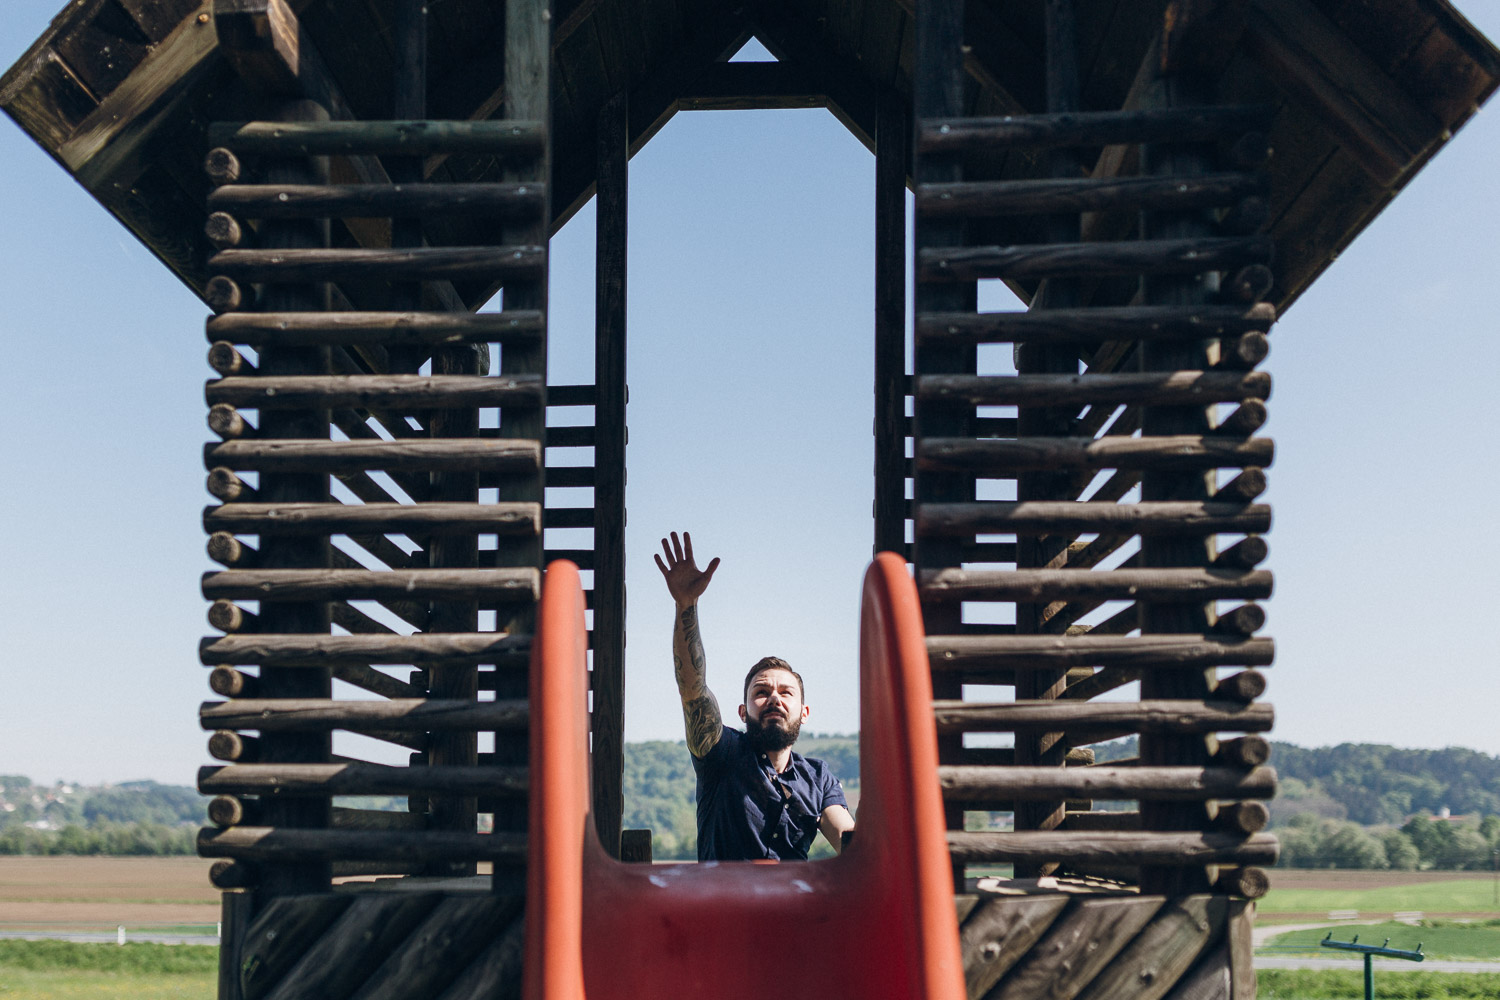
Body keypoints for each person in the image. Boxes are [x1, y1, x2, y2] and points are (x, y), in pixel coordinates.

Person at [654, 531, 856, 861]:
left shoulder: (819, 778)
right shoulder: (721, 754)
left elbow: (849, 842)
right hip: (722, 909)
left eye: (785, 692)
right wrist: (685, 605)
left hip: (790, 910)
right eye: (761, 692)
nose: (774, 698)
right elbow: (693, 689)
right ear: (742, 710)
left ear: (804, 712)